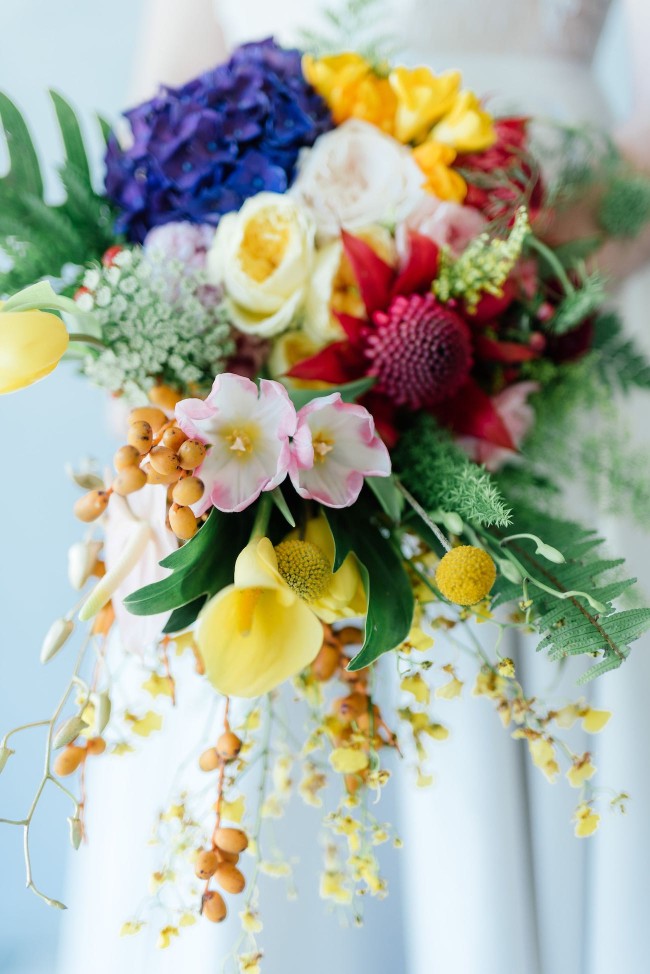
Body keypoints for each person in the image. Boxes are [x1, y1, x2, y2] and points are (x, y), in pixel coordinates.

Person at [58, 2, 650, 973]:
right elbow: (160, 108)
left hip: (547, 329)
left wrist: (482, 292)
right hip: (249, 353)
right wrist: (172, 359)